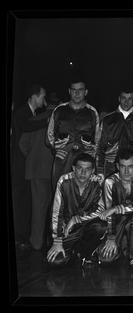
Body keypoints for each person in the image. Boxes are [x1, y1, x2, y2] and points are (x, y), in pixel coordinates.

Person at [46, 153, 107, 267]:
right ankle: (74, 252)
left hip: (86, 225)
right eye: (79, 168)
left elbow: (101, 210)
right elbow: (56, 212)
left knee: (101, 226)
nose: (83, 173)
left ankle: (84, 253)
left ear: (93, 170)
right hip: (66, 230)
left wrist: (77, 219)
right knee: (56, 262)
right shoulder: (64, 181)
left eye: (88, 169)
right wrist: (57, 241)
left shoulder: (97, 183)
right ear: (73, 168)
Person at [96, 148, 133, 268]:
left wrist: (117, 208)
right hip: (117, 221)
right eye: (122, 166)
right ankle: (120, 247)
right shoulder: (109, 182)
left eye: (130, 166)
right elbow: (108, 212)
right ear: (117, 166)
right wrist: (111, 237)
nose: (126, 171)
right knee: (106, 258)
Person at [11, 84, 48, 252]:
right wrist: (46, 120)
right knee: (19, 201)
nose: (44, 100)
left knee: (25, 201)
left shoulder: (32, 114)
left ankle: (23, 236)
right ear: (34, 96)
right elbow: (26, 129)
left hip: (25, 165)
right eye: (42, 97)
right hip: (18, 164)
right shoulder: (22, 113)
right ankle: (19, 237)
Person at [46, 78, 100, 190]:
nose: (77, 93)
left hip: (84, 163)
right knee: (60, 194)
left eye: (80, 90)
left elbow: (98, 139)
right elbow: (48, 136)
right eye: (74, 90)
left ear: (86, 92)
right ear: (69, 91)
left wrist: (92, 151)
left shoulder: (92, 112)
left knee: (84, 196)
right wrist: (55, 148)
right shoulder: (59, 110)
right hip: (63, 160)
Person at [19, 91, 56, 251]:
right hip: (55, 170)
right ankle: (54, 242)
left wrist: (33, 158)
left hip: (36, 171)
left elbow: (22, 145)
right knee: (56, 209)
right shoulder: (61, 120)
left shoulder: (33, 120)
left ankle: (36, 243)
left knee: (38, 209)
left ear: (47, 103)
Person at [97, 88, 133, 178]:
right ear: (119, 99)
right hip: (109, 167)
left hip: (131, 168)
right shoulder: (107, 120)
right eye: (124, 98)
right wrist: (100, 170)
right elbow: (99, 146)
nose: (126, 102)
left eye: (129, 99)